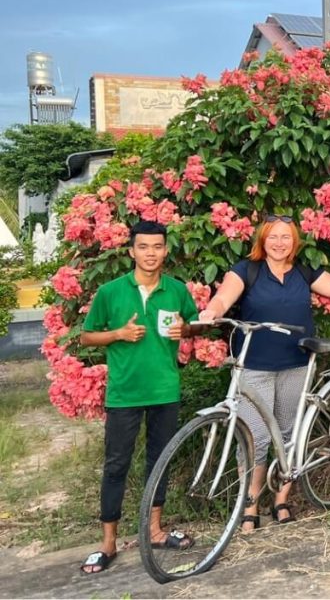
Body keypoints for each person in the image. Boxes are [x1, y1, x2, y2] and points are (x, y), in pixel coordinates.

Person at [198, 213, 330, 530]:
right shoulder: (247, 270)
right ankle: (250, 505)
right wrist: (210, 312)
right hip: (254, 366)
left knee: (287, 435)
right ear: (262, 240)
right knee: (254, 438)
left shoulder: (303, 270)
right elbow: (223, 297)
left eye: (286, 237)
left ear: (294, 241)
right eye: (273, 236)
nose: (279, 243)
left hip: (295, 362)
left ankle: (282, 499)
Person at [79, 221, 199, 574]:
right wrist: (118, 333)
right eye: (143, 247)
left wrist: (186, 329)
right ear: (131, 251)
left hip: (164, 389)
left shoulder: (176, 290)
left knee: (159, 460)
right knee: (117, 465)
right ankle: (108, 543)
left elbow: (193, 323)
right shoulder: (111, 292)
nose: (151, 253)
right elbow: (86, 338)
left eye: (157, 246)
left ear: (165, 251)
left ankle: (155, 531)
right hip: (124, 393)